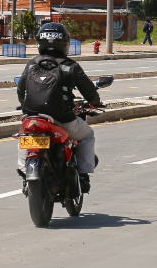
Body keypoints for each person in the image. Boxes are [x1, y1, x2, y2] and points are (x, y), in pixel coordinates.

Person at [17, 22, 103, 193]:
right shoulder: (70, 66)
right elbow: (88, 90)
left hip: (32, 116)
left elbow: (21, 90)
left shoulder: (32, 64)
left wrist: (24, 106)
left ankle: (24, 172)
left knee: (24, 136)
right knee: (87, 135)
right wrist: (95, 101)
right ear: (64, 44)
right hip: (62, 118)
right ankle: (84, 175)